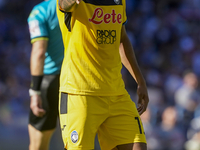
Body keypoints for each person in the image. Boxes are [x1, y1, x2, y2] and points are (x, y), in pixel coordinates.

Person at [57, 0, 149, 150]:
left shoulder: (119, 1)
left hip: (116, 93)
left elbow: (121, 38)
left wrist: (140, 81)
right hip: (80, 94)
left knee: (138, 146)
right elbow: (63, 4)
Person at [27, 0, 64, 149]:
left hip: (49, 82)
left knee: (38, 145)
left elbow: (39, 52)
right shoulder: (78, 7)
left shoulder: (40, 12)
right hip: (75, 79)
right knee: (76, 141)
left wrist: (35, 92)